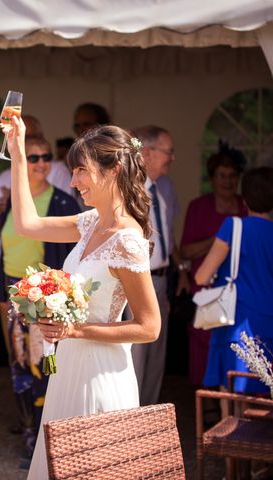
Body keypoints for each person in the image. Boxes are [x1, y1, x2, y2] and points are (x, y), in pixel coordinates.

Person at [0, 118, 160, 479]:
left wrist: (74, 329)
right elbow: (26, 224)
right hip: (67, 368)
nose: (73, 182)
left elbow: (149, 328)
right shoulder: (91, 223)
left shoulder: (127, 240)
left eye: (81, 172)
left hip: (100, 375)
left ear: (114, 169)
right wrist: (17, 152)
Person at [0, 136, 80, 467]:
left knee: (46, 366)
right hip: (13, 292)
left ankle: (48, 439)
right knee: (19, 364)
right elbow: (4, 250)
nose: (41, 163)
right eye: (33, 157)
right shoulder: (14, 199)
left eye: (46, 157)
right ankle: (30, 431)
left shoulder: (63, 202)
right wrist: (2, 293)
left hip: (46, 295)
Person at [195, 166, 273, 395]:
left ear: (245, 198)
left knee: (230, 392)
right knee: (264, 393)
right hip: (268, 320)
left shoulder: (234, 226)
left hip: (235, 319)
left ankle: (230, 431)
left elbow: (202, 275)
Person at [131, 125, 189, 406]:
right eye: (169, 152)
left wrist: (180, 270)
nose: (173, 158)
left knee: (156, 357)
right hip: (137, 280)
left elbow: (168, 236)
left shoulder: (164, 188)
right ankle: (129, 424)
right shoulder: (128, 190)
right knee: (136, 356)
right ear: (147, 153)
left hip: (162, 280)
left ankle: (148, 422)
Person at [181, 144, 248, 385]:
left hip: (238, 287)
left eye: (232, 176)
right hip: (206, 285)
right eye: (222, 176)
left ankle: (229, 400)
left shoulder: (246, 206)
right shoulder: (198, 207)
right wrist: (221, 240)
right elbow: (186, 250)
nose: (227, 181)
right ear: (212, 178)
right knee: (204, 344)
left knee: (235, 343)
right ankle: (208, 403)